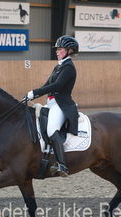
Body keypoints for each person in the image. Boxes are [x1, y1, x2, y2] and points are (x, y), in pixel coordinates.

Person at [25, 35, 79, 177]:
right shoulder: (59, 66)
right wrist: (31, 95)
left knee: (51, 129)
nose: (56, 51)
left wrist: (35, 92)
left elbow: (57, 85)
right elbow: (48, 85)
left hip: (61, 105)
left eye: (60, 49)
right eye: (57, 49)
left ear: (69, 51)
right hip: (51, 103)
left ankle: (62, 165)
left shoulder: (69, 67)